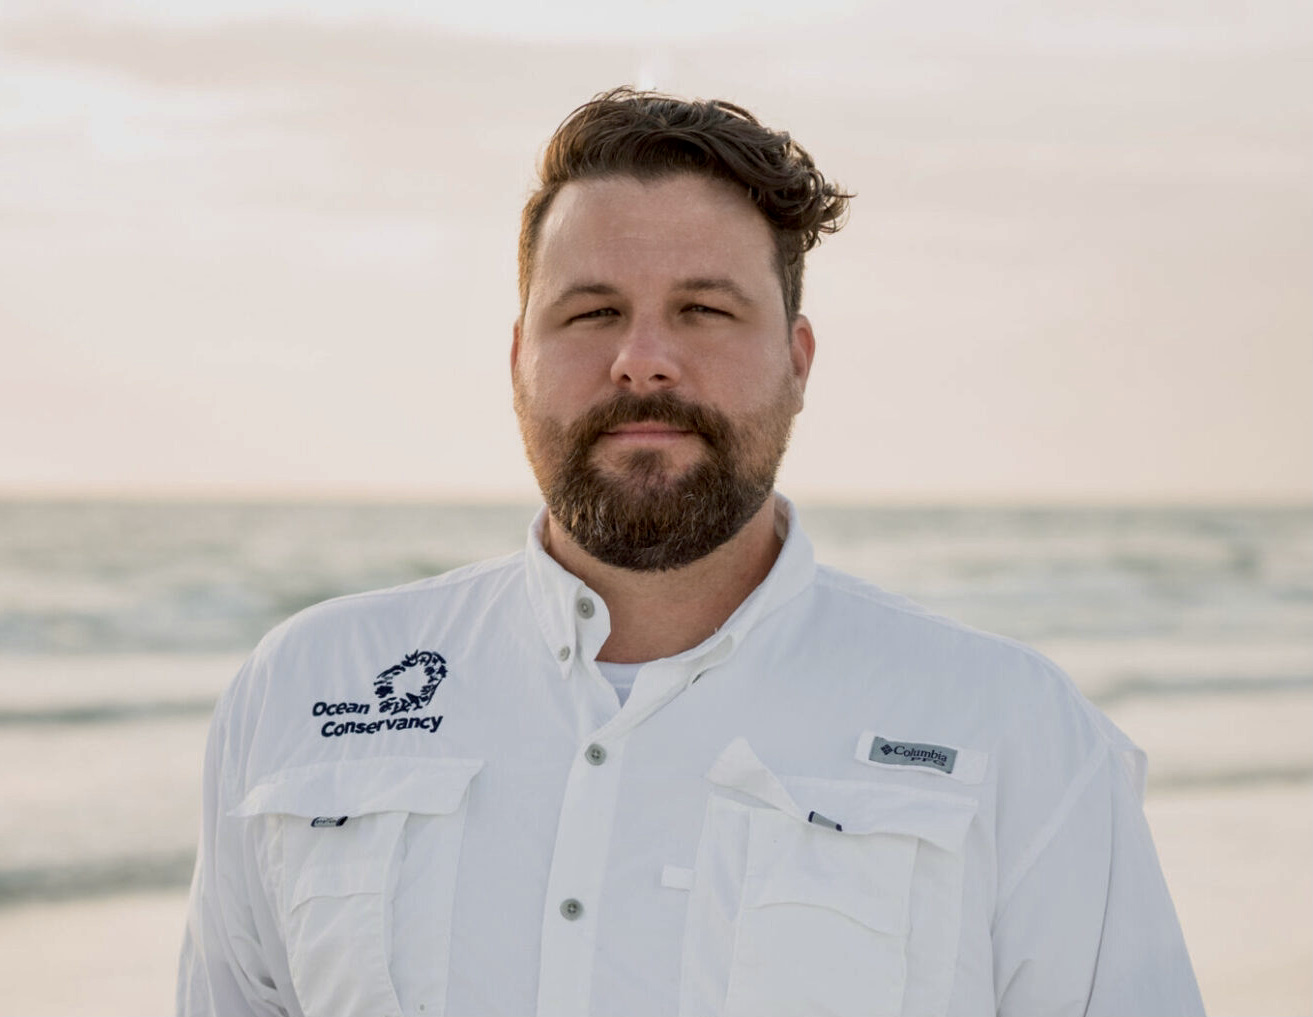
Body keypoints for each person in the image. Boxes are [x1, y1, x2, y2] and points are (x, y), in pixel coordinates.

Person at [177, 87, 1204, 1017]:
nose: (642, 361)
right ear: (518, 358)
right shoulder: (303, 691)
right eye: (592, 313)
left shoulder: (1011, 729)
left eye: (703, 311)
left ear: (796, 360)